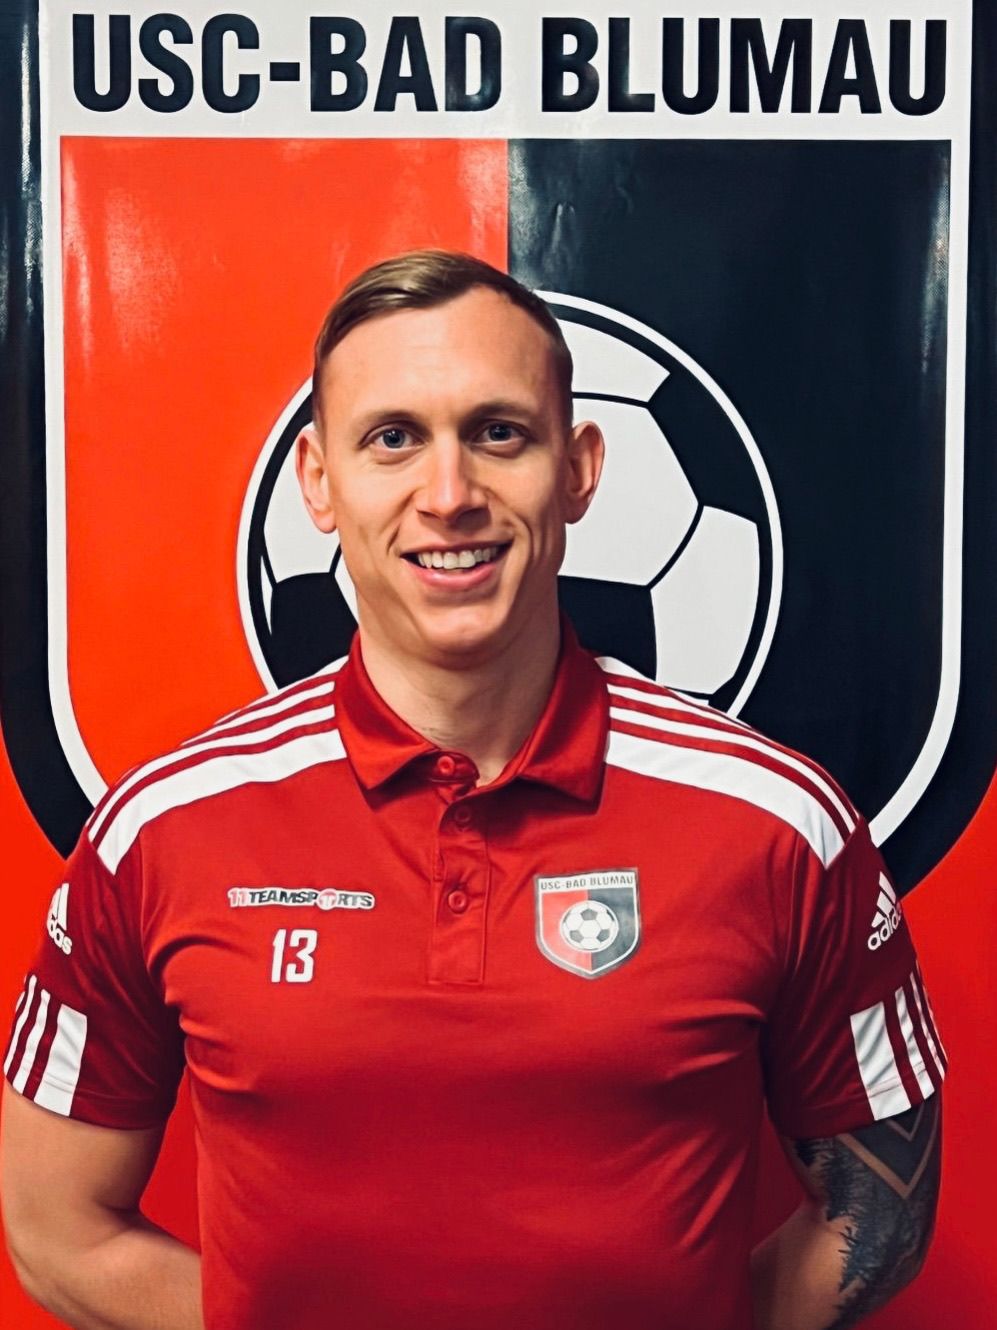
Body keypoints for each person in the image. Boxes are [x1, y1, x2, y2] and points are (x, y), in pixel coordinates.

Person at [2, 250, 945, 1330]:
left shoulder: (780, 822)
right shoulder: (162, 828)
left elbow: (880, 1211)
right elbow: (54, 1226)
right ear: (318, 480)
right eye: (391, 438)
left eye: (499, 432)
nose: (448, 496)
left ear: (581, 468)